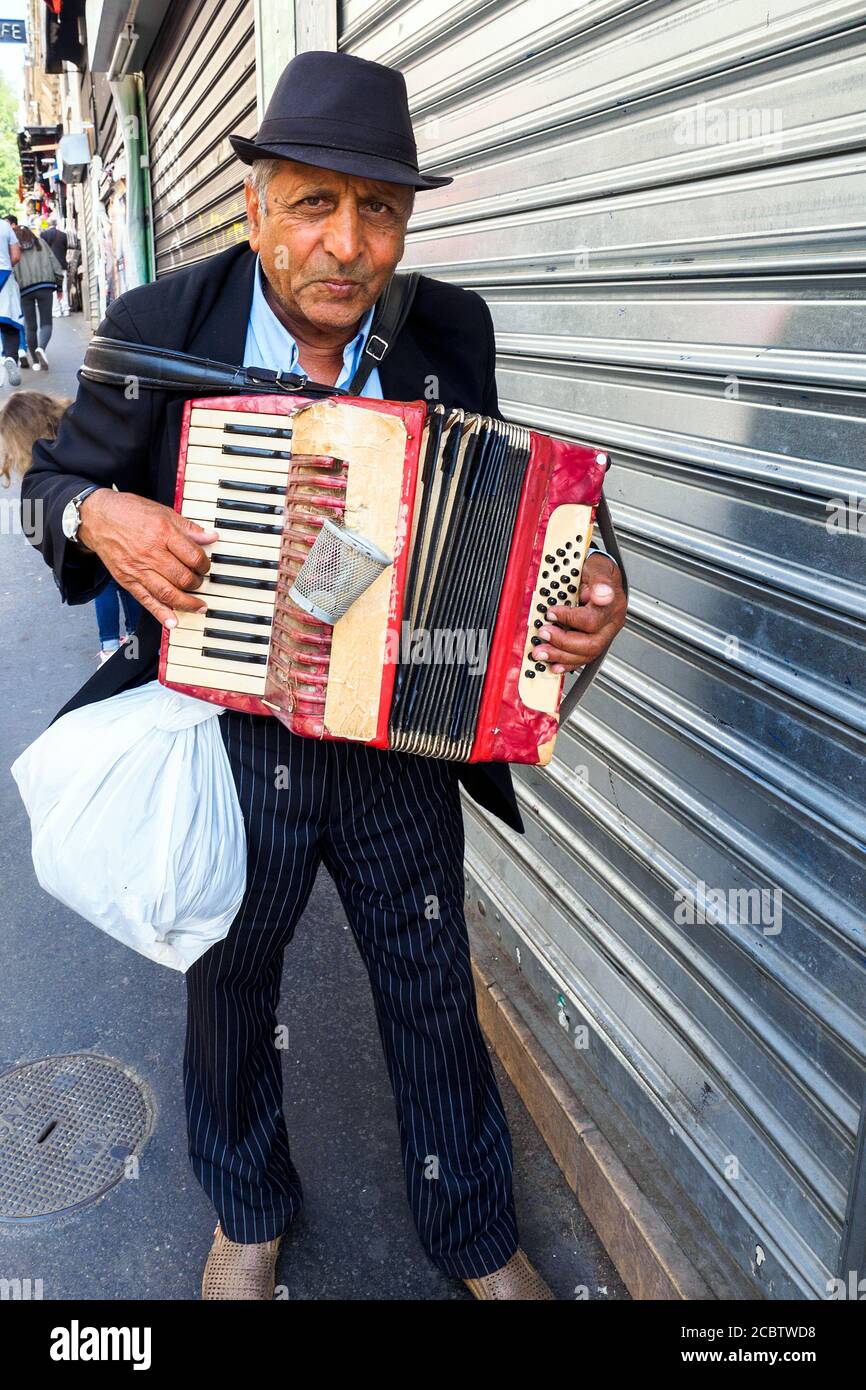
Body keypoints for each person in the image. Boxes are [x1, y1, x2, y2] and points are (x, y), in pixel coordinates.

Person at [22, 51, 627, 1302]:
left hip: (398, 733)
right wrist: (99, 517)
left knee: (427, 989)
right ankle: (248, 1215)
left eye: (379, 210)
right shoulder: (158, 329)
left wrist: (592, 587)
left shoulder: (444, 331)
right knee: (232, 985)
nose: (347, 245)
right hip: (226, 729)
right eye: (313, 203)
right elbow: (46, 484)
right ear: (255, 206)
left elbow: (515, 505)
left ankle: (473, 1231)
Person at [0, 389, 140, 663]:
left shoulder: (40, 466)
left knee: (106, 583)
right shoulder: (77, 432)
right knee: (129, 579)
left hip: (85, 525)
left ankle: (110, 646)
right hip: (117, 507)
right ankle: (138, 639)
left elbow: (38, 523)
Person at [13, 225, 61, 372]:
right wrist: (59, 285)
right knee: (46, 322)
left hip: (24, 290)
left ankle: (35, 361)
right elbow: (55, 263)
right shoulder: (41, 243)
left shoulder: (14, 249)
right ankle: (41, 348)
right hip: (45, 287)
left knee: (30, 326)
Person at [0, 215, 23, 385]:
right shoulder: (5, 226)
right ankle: (10, 358)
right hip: (4, 278)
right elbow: (16, 256)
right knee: (9, 325)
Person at [42, 215, 70, 317]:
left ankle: (56, 311)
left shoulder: (43, 235)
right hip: (62, 265)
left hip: (50, 267)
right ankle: (66, 309)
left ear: (48, 224)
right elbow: (65, 249)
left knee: (53, 289)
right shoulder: (63, 235)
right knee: (64, 288)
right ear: (56, 224)